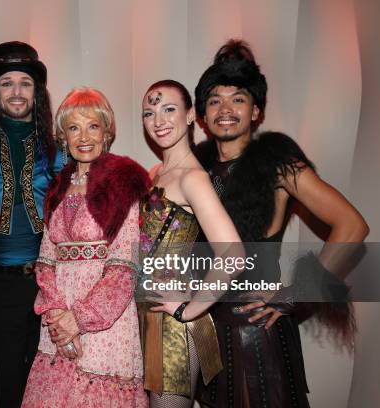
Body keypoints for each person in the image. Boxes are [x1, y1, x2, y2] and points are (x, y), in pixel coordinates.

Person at [193, 40, 369, 408]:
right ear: (202, 116)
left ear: (256, 111)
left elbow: (352, 226)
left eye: (238, 99)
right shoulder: (195, 169)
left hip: (255, 335)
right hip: (206, 331)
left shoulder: (277, 163)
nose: (225, 109)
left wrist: (295, 292)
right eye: (214, 101)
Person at [22, 87, 149, 407]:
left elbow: (124, 267)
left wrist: (78, 320)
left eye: (93, 125)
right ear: (63, 135)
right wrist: (55, 316)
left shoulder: (123, 182)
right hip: (57, 323)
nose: (84, 136)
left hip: (106, 325)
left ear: (107, 131)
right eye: (74, 127)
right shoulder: (57, 186)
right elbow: (46, 261)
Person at [139, 80, 242, 407]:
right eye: (149, 112)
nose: (159, 120)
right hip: (146, 317)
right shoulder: (157, 171)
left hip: (173, 327)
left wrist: (190, 307)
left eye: (169, 109)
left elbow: (233, 254)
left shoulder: (192, 178)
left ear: (189, 115)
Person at [0, 40, 63, 407]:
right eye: (6, 83)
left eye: (25, 83)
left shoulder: (58, 147)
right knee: (8, 378)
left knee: (50, 376)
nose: (16, 92)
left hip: (51, 281)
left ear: (37, 91)